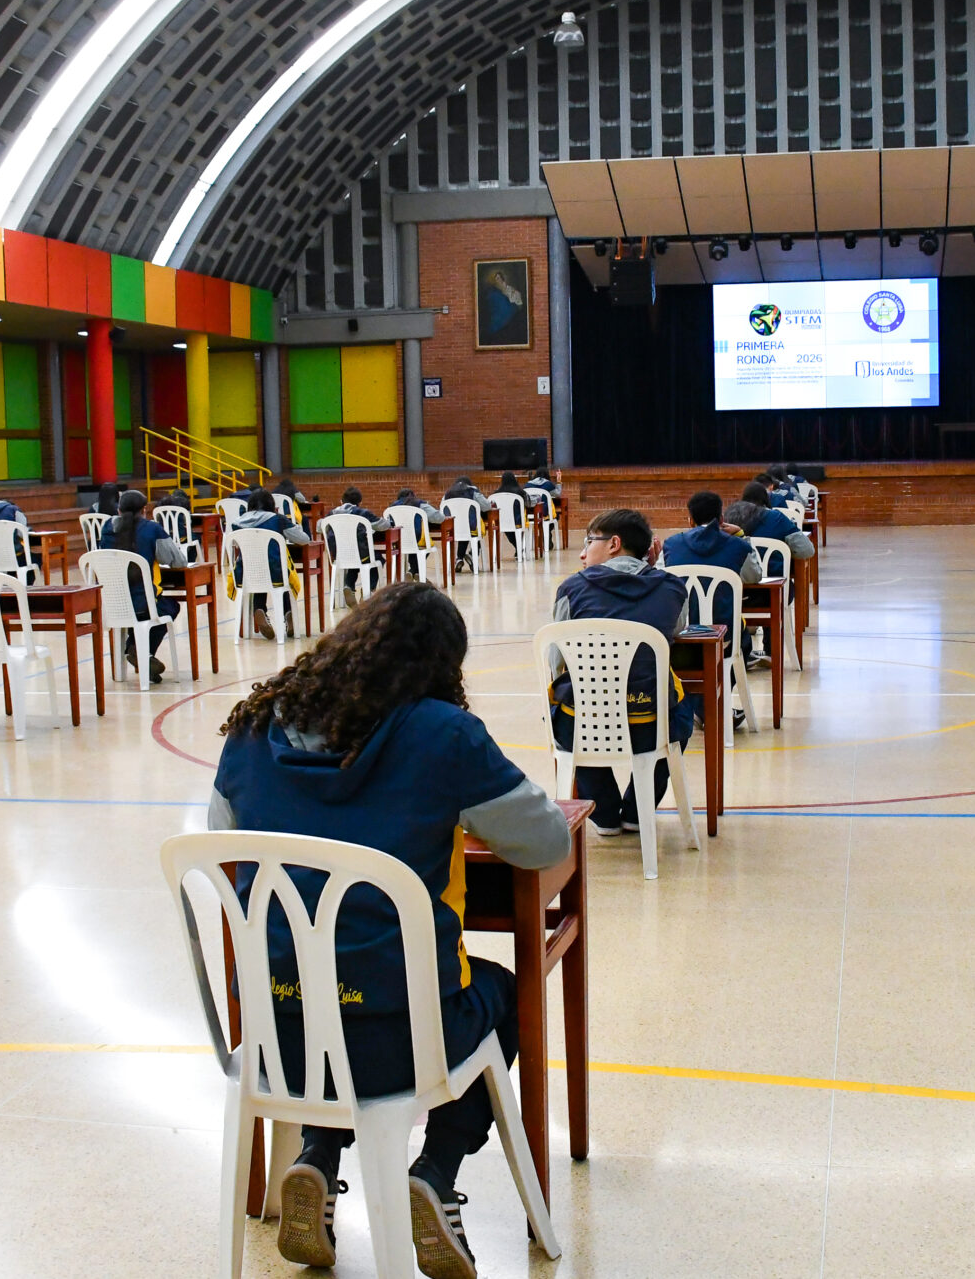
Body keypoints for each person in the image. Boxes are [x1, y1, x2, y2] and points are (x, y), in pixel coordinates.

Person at [208, 583, 570, 1276]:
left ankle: (319, 1152)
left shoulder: (254, 728)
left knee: (331, 989)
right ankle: (436, 1169)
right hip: (399, 1043)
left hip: (275, 1035)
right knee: (501, 994)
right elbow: (546, 844)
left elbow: (222, 837)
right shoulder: (441, 733)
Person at [552, 509, 695, 835]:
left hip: (586, 723)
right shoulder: (672, 587)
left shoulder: (572, 588)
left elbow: (555, 659)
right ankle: (637, 810)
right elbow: (678, 627)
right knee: (680, 717)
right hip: (651, 723)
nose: (582, 552)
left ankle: (602, 815)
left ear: (614, 543)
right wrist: (656, 570)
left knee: (564, 714)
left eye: (589, 541)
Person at [660, 492, 763, 668]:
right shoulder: (737, 545)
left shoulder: (671, 544)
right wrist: (741, 535)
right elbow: (754, 577)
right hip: (725, 638)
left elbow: (662, 580)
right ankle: (722, 688)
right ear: (722, 518)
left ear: (690, 520)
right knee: (743, 637)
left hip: (680, 636)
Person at [724, 481, 816, 668]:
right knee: (778, 584)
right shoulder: (776, 518)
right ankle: (771, 651)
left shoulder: (726, 520)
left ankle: (740, 652)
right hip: (769, 597)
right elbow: (807, 550)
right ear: (766, 500)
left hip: (730, 596)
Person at [98, 489, 186, 683]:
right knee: (170, 607)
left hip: (114, 604)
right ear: (144, 510)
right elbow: (178, 562)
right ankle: (138, 649)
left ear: (118, 510)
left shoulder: (106, 528)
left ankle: (138, 651)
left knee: (137, 610)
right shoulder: (152, 530)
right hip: (144, 605)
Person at [227, 503, 310, 640]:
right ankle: (288, 613)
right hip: (276, 572)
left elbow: (235, 544)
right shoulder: (278, 519)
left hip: (245, 574)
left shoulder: (237, 522)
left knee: (259, 572)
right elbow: (303, 539)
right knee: (283, 577)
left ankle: (259, 609)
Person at [327, 488, 392, 605]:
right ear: (359, 502)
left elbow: (318, 527)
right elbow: (383, 525)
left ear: (341, 501)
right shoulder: (362, 513)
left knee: (355, 562)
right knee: (378, 559)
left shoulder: (331, 514)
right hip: (360, 552)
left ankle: (349, 586)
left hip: (339, 555)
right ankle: (368, 592)